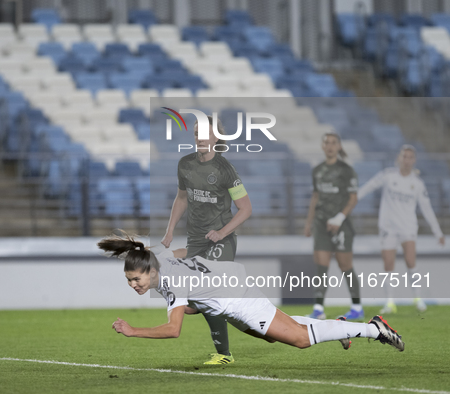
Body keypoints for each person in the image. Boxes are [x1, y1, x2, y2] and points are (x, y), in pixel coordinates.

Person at [98, 233, 405, 354]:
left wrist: (133, 331)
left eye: (136, 278)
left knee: (299, 339)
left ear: (150, 272)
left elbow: (173, 329)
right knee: (274, 334)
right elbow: (163, 251)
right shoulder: (158, 260)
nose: (133, 285)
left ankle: (373, 328)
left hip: (239, 296)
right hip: (228, 298)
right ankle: (335, 327)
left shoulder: (170, 281)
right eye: (128, 280)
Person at [161, 115, 252, 365]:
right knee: (197, 303)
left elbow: (245, 209)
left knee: (207, 292)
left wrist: (222, 232)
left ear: (216, 138)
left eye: (206, 133)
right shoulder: (185, 164)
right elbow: (181, 199)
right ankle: (234, 336)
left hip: (221, 242)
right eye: (197, 133)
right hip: (196, 241)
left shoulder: (225, 169)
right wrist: (169, 231)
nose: (200, 138)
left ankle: (224, 354)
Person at [357, 144, 445, 313]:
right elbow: (369, 186)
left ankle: (418, 298)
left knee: (411, 262)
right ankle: (389, 302)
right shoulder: (388, 175)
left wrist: (437, 232)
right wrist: (354, 198)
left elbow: (426, 208)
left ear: (414, 160)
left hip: (408, 227)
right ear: (399, 158)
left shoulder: (417, 183)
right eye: (404, 156)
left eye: (410, 157)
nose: (407, 160)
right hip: (388, 227)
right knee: (388, 264)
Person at [304, 132, 362, 320]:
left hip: (341, 224)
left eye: (333, 143)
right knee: (321, 266)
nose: (329, 146)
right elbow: (315, 197)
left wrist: (339, 218)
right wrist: (309, 222)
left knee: (345, 265)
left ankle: (356, 306)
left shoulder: (346, 170)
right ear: (322, 146)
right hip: (321, 223)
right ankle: (318, 309)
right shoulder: (317, 170)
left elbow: (353, 198)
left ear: (339, 146)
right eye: (326, 143)